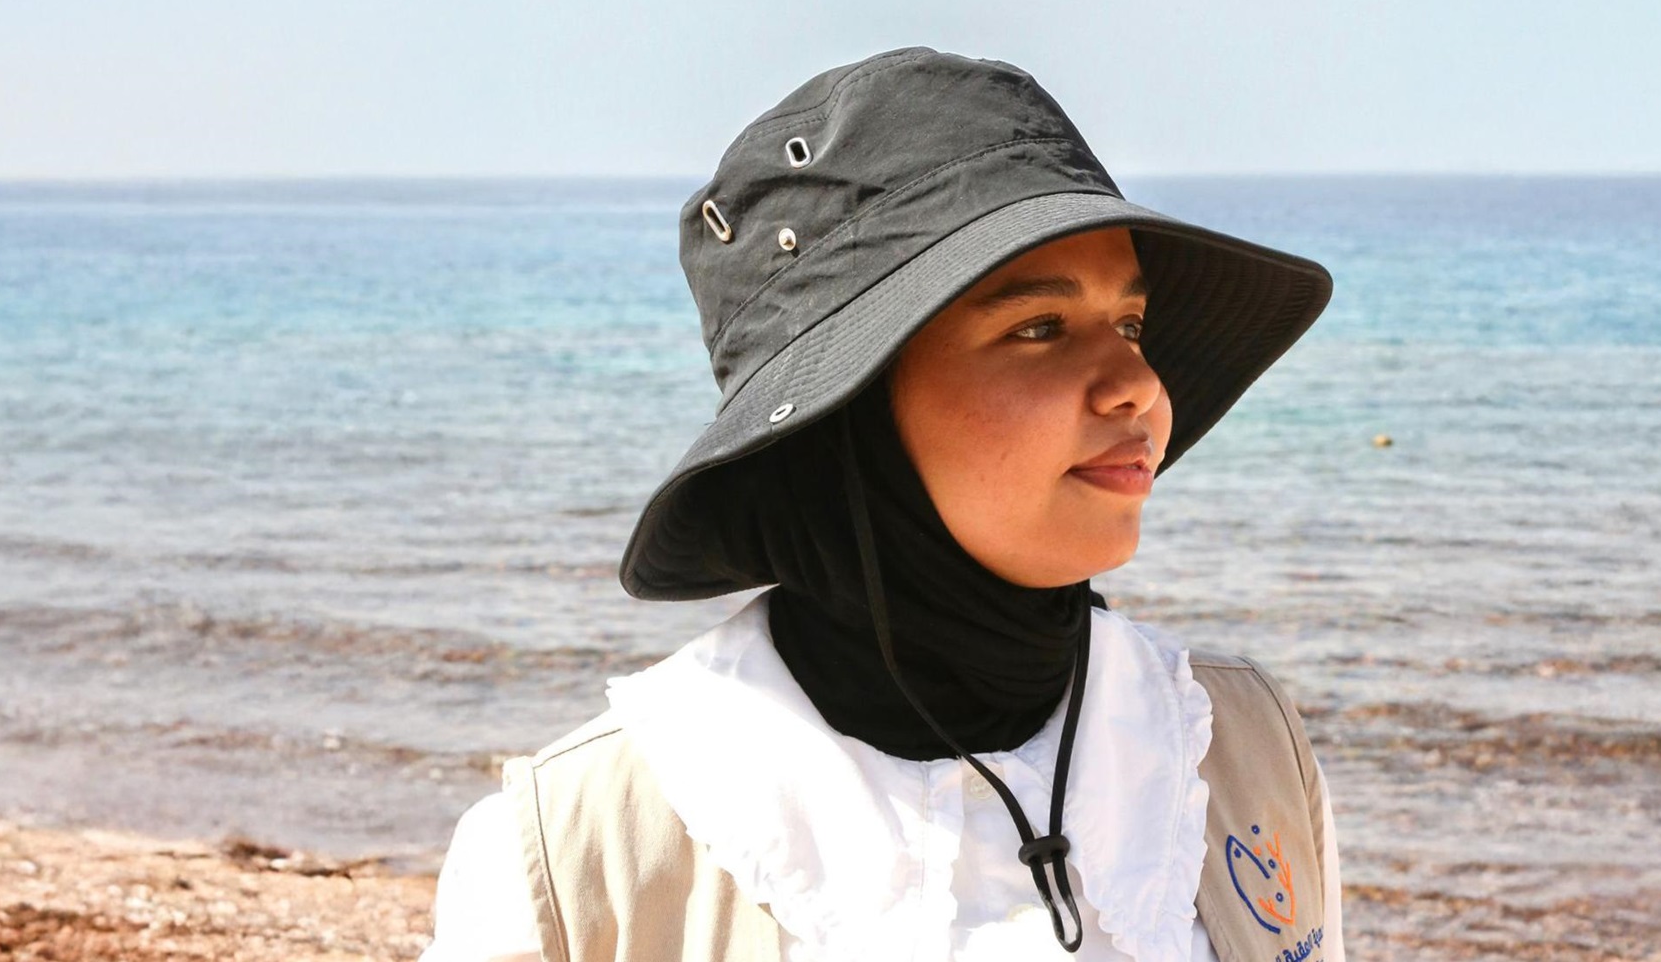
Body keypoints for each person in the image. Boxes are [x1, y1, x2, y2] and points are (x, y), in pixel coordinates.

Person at [422, 46, 1342, 962]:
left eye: (1131, 325)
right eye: (1039, 328)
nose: (1136, 385)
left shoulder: (1235, 744)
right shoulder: (576, 852)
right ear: (848, 416)